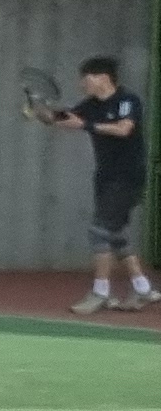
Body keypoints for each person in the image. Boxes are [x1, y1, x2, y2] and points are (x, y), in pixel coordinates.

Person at [48, 55, 146, 312]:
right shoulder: (90, 104)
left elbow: (124, 129)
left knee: (100, 231)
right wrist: (41, 112)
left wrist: (86, 125)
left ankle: (100, 293)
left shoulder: (127, 100)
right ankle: (143, 288)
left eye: (86, 78)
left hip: (128, 176)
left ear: (102, 77)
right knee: (116, 232)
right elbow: (66, 118)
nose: (82, 83)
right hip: (105, 176)